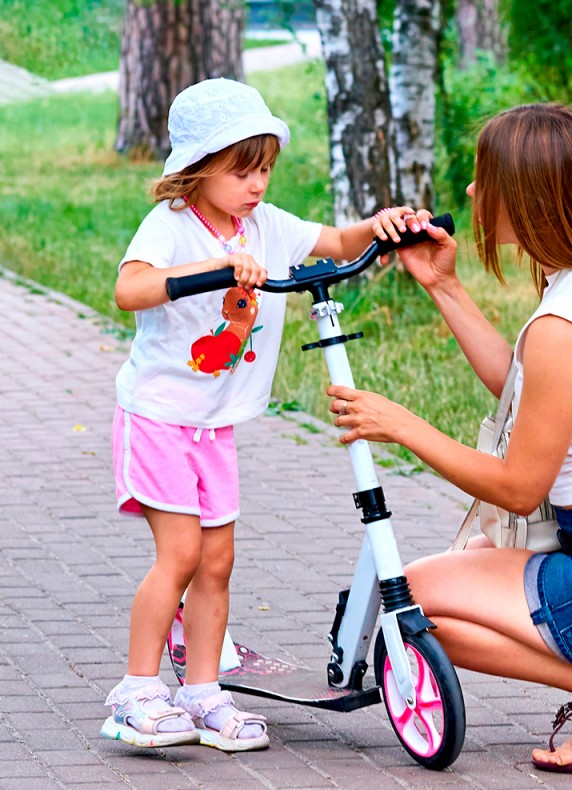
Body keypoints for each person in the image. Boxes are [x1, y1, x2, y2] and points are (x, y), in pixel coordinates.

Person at [327, 103, 572, 773]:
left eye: (484, 180)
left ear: (528, 198)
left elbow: (519, 489)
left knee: (411, 602)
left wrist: (401, 427)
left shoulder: (565, 324)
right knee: (463, 572)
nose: (470, 193)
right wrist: (445, 285)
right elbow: (528, 392)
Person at [102, 77, 412, 752]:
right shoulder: (172, 226)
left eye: (265, 168)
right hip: (158, 416)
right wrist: (214, 269)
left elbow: (335, 238)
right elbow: (129, 288)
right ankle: (136, 691)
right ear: (198, 169)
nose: (257, 183)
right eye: (243, 170)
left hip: (214, 426)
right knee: (180, 554)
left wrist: (384, 226)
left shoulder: (265, 227)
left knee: (218, 562)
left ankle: (205, 692)